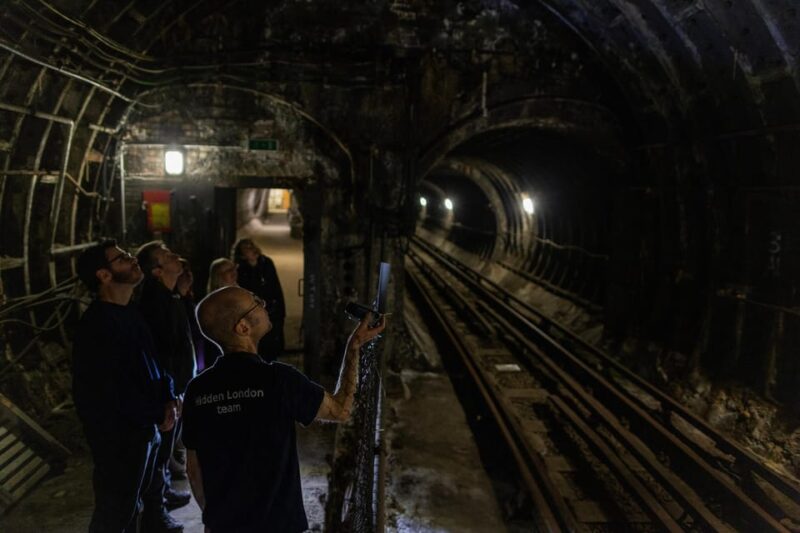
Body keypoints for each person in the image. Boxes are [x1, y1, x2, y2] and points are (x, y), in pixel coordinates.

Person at [182, 286, 386, 533]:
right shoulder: (279, 380)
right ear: (243, 328)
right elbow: (340, 410)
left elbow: (193, 469)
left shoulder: (197, 390)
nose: (264, 303)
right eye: (256, 302)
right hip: (279, 524)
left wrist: (215, 517)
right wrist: (354, 347)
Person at [72, 240, 177, 533]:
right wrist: (156, 411)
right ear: (103, 275)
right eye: (121, 259)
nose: (132, 259)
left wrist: (168, 397)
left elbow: (153, 361)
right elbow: (109, 392)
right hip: (119, 437)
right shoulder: (96, 326)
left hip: (144, 429)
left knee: (133, 507)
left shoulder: (130, 312)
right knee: (115, 513)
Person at [136, 241, 197, 532]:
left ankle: (164, 494)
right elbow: (161, 352)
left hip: (178, 386)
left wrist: (183, 295)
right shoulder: (153, 301)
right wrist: (170, 394)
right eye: (166, 255)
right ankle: (154, 516)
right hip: (168, 391)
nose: (175, 254)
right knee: (159, 454)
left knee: (167, 450)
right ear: (158, 271)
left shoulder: (168, 294)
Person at [233, 238, 285, 362]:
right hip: (253, 315)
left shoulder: (266, 263)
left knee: (272, 346)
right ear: (241, 255)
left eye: (251, 245)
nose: (251, 248)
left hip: (271, 311)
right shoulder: (241, 270)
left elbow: (276, 288)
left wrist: (280, 311)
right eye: (246, 248)